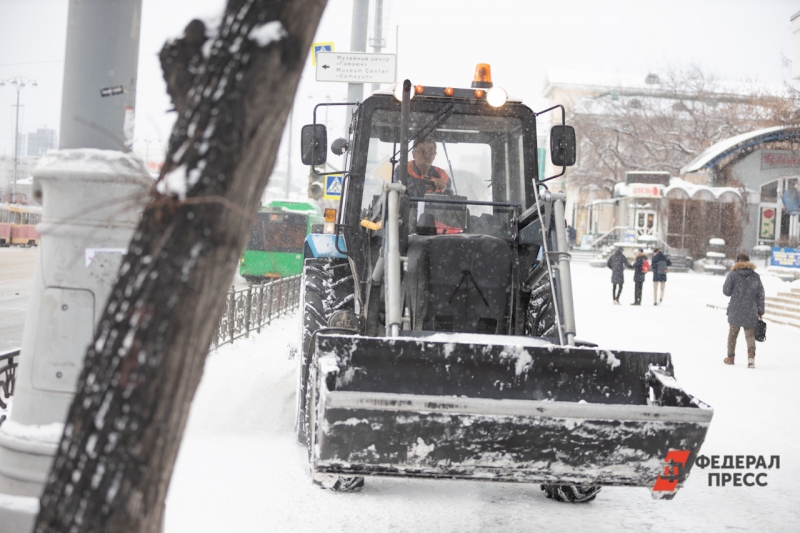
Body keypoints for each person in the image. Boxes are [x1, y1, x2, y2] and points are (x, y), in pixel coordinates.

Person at [723, 252, 765, 369]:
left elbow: (726, 292)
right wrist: (760, 310)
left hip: (735, 309)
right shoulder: (755, 276)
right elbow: (760, 294)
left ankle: (730, 357)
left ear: (737, 261)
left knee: (732, 334)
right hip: (751, 310)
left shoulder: (733, 275)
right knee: (750, 336)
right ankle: (751, 356)